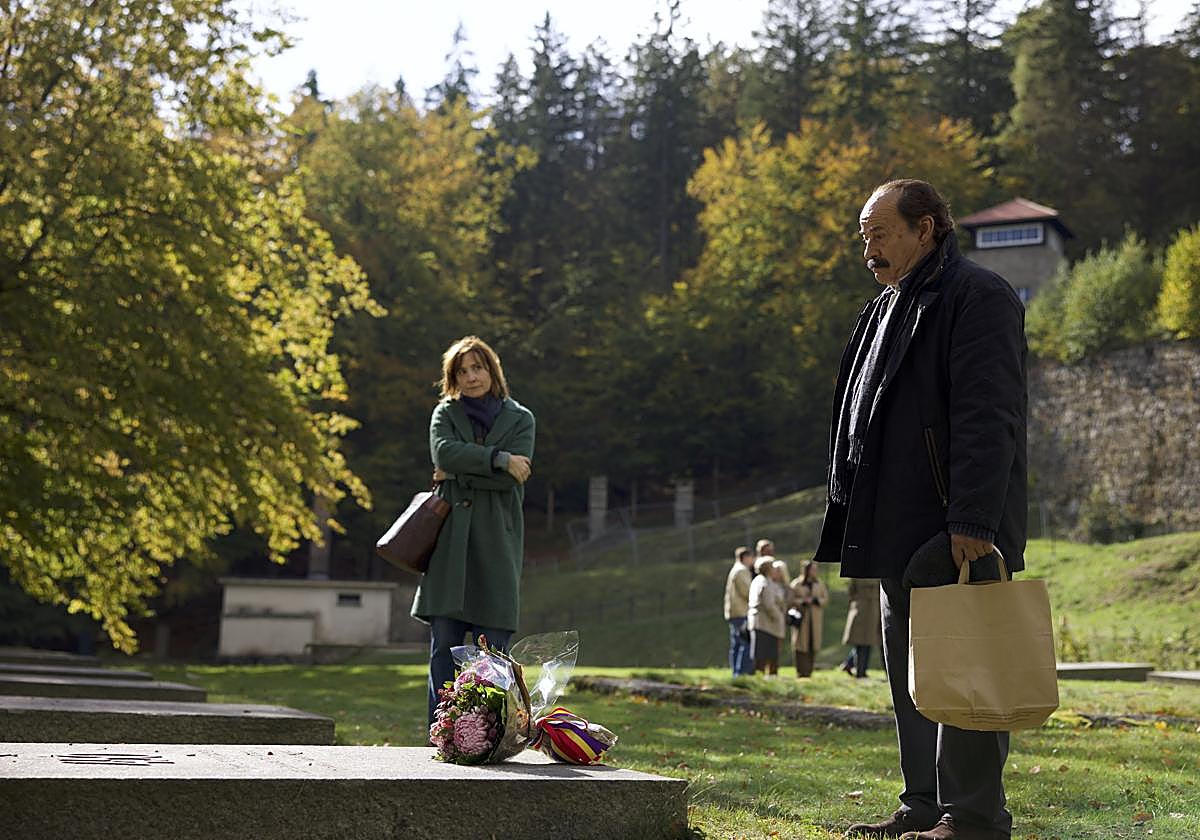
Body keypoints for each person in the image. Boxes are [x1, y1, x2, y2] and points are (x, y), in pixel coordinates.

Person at [813, 180, 1027, 840]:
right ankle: (925, 807)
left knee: (967, 671)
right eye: (864, 237)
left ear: (925, 229)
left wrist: (973, 520)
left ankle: (973, 819)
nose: (869, 250)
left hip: (952, 528)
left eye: (880, 234)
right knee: (913, 678)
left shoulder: (978, 296)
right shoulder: (886, 304)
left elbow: (989, 415)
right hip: (894, 527)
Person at [412, 336, 536, 727]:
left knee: (493, 657)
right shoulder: (444, 414)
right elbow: (444, 453)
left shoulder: (521, 419)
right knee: (442, 653)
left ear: (491, 370)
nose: (471, 377)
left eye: (477, 368)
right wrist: (498, 459)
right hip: (449, 545)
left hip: (496, 544)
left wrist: (458, 473)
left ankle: (486, 739)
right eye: (462, 371)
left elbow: (511, 479)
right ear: (453, 378)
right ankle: (441, 735)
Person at [787, 560, 829, 678]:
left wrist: (815, 600)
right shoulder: (796, 584)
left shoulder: (819, 584)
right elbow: (790, 600)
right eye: (812, 569)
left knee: (813, 644)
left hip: (815, 619)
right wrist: (802, 601)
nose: (815, 572)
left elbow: (825, 599)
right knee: (800, 645)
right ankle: (801, 671)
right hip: (801, 619)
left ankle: (809, 671)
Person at [747, 555, 785, 676]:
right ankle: (764, 680)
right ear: (768, 569)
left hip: (761, 623)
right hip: (766, 625)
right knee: (765, 657)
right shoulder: (765, 582)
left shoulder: (758, 580)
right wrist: (779, 617)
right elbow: (769, 605)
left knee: (762, 656)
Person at [723, 546, 756, 676]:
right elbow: (748, 592)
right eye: (751, 557)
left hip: (735, 612)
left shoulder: (736, 569)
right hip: (741, 612)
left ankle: (736, 673)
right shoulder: (741, 571)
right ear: (745, 557)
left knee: (736, 644)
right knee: (745, 643)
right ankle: (742, 673)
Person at [840, 577, 881, 678]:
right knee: (862, 642)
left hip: (870, 608)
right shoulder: (862, 575)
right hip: (863, 609)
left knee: (866, 642)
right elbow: (851, 592)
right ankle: (860, 671)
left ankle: (853, 666)